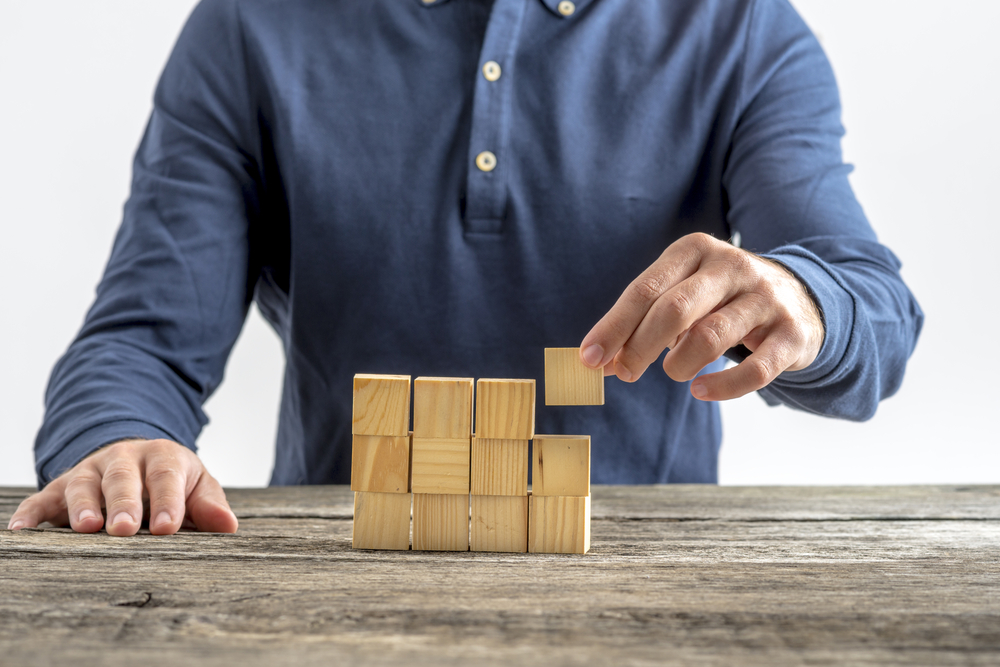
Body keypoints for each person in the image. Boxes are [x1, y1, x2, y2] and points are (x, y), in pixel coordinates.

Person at [8, 0, 923, 536]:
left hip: (645, 591)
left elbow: (870, 304)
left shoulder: (743, 30)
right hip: (334, 586)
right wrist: (114, 444)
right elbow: (140, 343)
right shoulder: (249, 24)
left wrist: (808, 299)